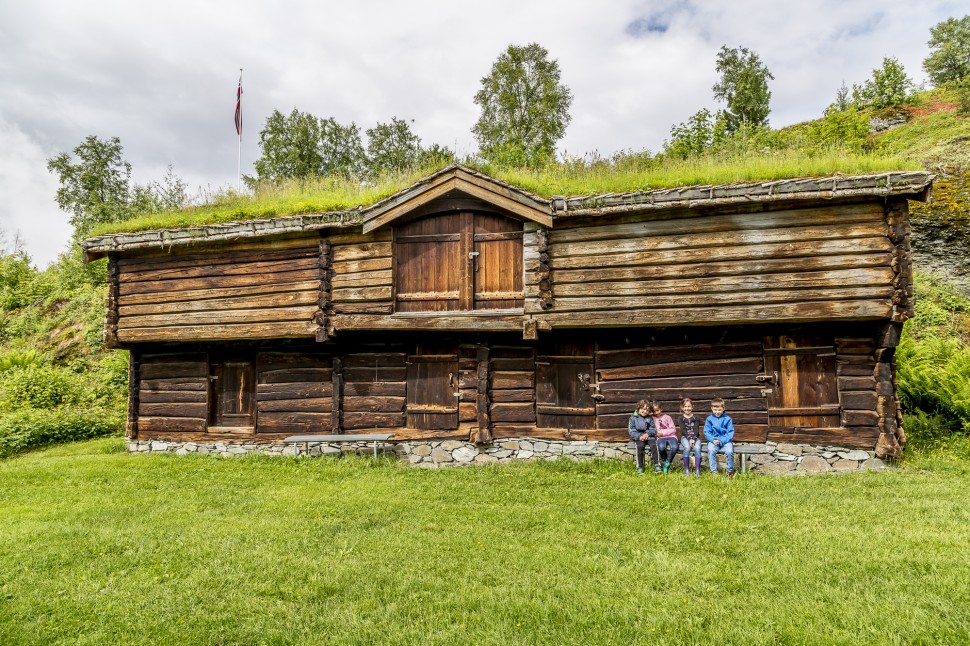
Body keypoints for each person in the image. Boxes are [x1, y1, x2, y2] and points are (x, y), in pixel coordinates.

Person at [704, 397, 735, 478]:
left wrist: (721, 440)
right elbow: (707, 432)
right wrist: (713, 440)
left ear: (723, 408)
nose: (717, 412)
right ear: (712, 409)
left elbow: (730, 432)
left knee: (729, 451)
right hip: (713, 440)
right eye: (715, 410)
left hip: (726, 441)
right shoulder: (709, 419)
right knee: (711, 450)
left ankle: (730, 471)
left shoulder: (727, 419)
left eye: (719, 410)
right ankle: (714, 471)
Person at [628, 399, 657, 474]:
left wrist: (647, 434)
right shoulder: (633, 418)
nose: (645, 412)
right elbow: (631, 430)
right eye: (643, 409)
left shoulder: (649, 418)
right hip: (638, 436)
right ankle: (640, 467)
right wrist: (639, 436)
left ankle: (657, 465)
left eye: (647, 410)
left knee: (654, 445)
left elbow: (653, 429)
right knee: (640, 446)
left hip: (649, 435)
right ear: (638, 408)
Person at [651, 401, 679, 474]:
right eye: (654, 411)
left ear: (661, 409)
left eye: (657, 410)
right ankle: (664, 461)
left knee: (675, 447)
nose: (656, 413)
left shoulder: (667, 417)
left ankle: (667, 463)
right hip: (660, 438)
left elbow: (673, 429)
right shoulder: (652, 418)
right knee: (661, 447)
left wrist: (662, 433)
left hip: (671, 436)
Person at [677, 397, 702, 477]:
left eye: (689, 406)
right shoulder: (681, 418)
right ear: (682, 407)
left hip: (696, 437)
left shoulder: (696, 418)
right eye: (685, 407)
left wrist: (693, 439)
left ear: (692, 407)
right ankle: (686, 469)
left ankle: (697, 469)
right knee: (687, 448)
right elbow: (683, 430)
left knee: (697, 448)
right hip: (685, 437)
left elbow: (696, 429)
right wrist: (689, 439)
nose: (687, 408)